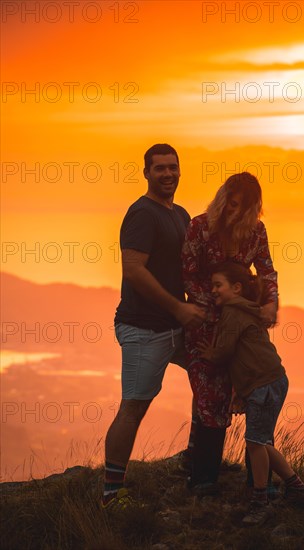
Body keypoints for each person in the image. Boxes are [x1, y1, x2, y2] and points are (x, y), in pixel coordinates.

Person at [103, 144, 205, 508]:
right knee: (134, 406)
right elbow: (133, 270)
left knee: (208, 375)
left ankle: (197, 459)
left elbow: (186, 268)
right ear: (146, 172)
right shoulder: (142, 213)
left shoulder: (180, 214)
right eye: (159, 168)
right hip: (144, 327)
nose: (167, 174)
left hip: (175, 324)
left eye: (172, 167)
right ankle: (111, 493)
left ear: (180, 170)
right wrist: (178, 308)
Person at [182, 172, 278, 493]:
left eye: (241, 208)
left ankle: (259, 485)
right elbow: (189, 276)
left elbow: (266, 271)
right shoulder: (199, 227)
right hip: (205, 328)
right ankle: (203, 481)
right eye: (231, 204)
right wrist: (216, 306)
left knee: (256, 396)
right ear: (223, 199)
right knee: (211, 398)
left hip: (245, 329)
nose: (233, 213)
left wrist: (269, 304)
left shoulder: (256, 232)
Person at [199, 262, 304, 525]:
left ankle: (260, 501)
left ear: (236, 288)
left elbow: (225, 351)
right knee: (261, 441)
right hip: (271, 380)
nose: (213, 290)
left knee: (255, 443)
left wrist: (208, 354)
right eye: (212, 285)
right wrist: (240, 392)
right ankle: (296, 487)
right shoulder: (245, 310)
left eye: (218, 285)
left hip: (264, 384)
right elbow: (243, 356)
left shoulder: (232, 313)